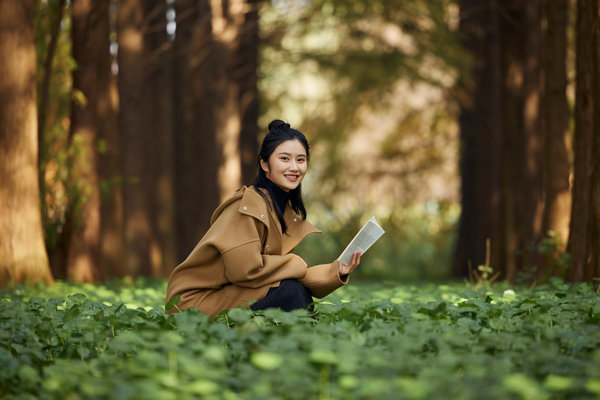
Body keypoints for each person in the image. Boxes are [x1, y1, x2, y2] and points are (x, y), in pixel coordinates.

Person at [165, 120, 361, 318]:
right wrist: (293, 262)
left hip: (229, 293)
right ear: (265, 164)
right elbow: (245, 272)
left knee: (291, 289)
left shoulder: (280, 210)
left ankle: (303, 342)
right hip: (192, 305)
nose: (294, 167)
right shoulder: (247, 207)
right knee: (290, 292)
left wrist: (337, 270)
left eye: (301, 160)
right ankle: (307, 344)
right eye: (285, 159)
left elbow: (284, 274)